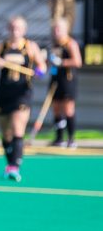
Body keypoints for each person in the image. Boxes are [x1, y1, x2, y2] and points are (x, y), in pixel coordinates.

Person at [0, 15, 46, 182]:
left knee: (17, 128)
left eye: (18, 28)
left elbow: (42, 67)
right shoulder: (3, 46)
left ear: (24, 30)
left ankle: (15, 167)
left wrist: (39, 72)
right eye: (12, 27)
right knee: (5, 133)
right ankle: (10, 165)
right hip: (4, 93)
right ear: (8, 29)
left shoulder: (30, 46)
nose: (15, 31)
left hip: (22, 92)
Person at [48, 18, 82, 148]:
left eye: (59, 29)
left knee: (68, 109)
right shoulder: (54, 44)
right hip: (55, 79)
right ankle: (59, 137)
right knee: (56, 109)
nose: (56, 32)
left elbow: (77, 61)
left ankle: (71, 138)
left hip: (68, 80)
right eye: (55, 29)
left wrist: (62, 62)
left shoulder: (70, 43)